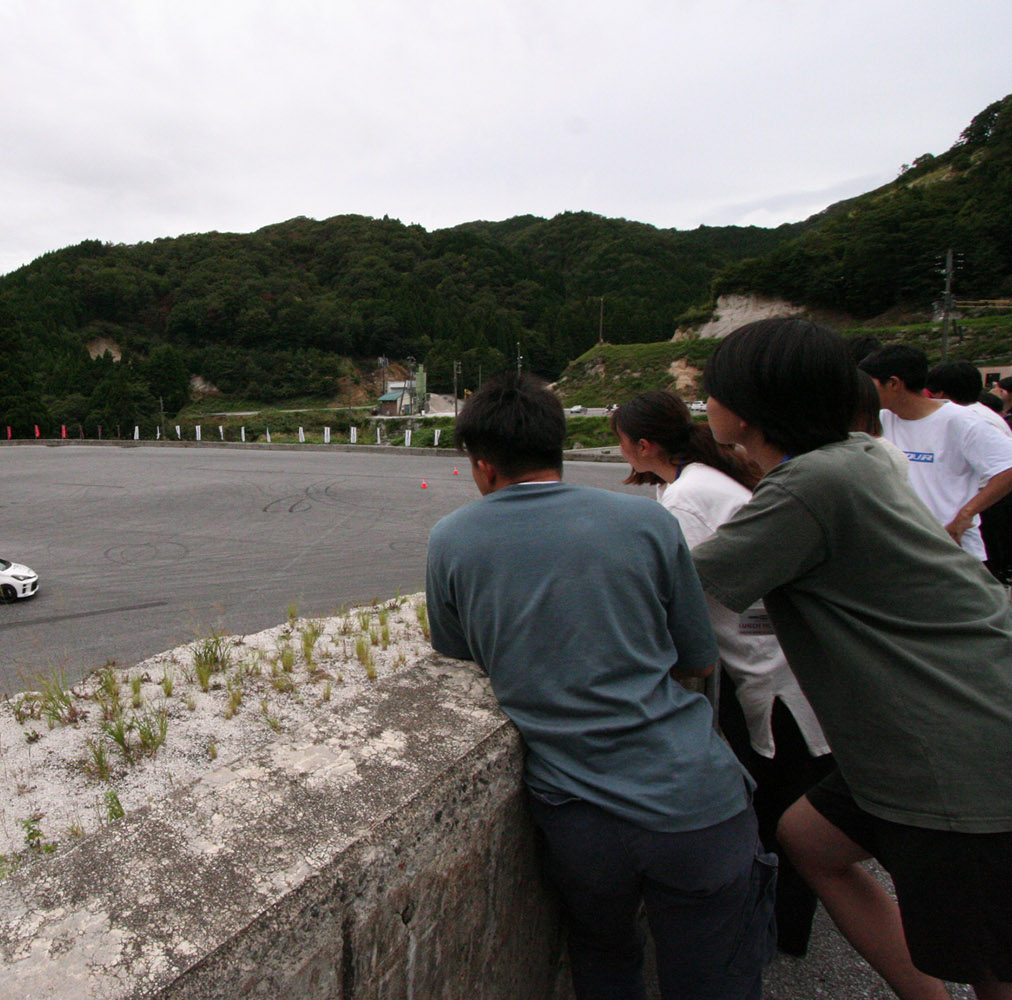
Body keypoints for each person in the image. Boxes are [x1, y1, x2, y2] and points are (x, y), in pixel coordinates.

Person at [425, 373, 774, 1000]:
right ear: (558, 446)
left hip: (578, 816)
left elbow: (454, 654)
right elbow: (697, 657)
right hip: (694, 800)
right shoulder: (647, 521)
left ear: (482, 466)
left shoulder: (451, 540)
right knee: (715, 974)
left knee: (603, 954)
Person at [692, 318, 1012, 1000]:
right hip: (954, 714)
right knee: (810, 839)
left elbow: (677, 588)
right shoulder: (856, 457)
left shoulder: (808, 488)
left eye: (711, 392)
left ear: (747, 407)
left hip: (951, 744)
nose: (704, 406)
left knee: (991, 960)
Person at [613, 390, 833, 957]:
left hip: (765, 667)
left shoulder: (686, 497)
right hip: (777, 658)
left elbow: (668, 595)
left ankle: (775, 935)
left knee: (776, 809)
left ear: (643, 445)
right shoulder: (694, 480)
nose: (619, 451)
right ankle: (781, 929)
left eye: (621, 439)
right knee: (785, 795)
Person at [859, 345, 1012, 564]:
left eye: (869, 383)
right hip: (901, 548)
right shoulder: (881, 419)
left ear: (893, 383)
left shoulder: (960, 421)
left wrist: (966, 514)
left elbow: (1007, 467)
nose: (863, 390)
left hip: (951, 550)